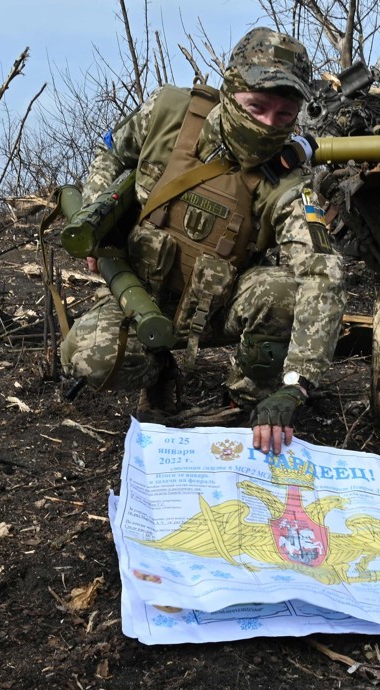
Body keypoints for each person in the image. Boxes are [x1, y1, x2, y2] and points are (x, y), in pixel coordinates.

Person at [60, 28, 345, 455]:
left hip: (219, 307)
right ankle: (158, 371)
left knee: (282, 292)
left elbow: (323, 270)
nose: (268, 123)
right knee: (87, 358)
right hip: (138, 296)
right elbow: (112, 154)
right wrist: (97, 219)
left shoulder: (286, 180)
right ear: (231, 89)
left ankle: (244, 402)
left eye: (285, 115)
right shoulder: (169, 113)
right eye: (257, 106)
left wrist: (297, 384)